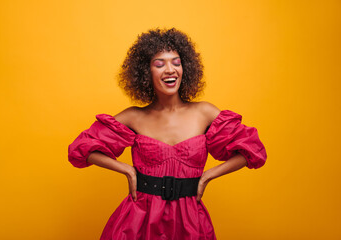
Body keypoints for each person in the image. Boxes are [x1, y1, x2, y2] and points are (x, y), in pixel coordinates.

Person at [68, 28, 267, 240]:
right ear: (146, 72)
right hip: (138, 222)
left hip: (189, 221)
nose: (170, 70)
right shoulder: (135, 117)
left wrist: (208, 176)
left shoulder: (204, 113)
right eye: (159, 64)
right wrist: (126, 170)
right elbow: (80, 149)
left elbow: (253, 150)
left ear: (186, 68)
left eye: (176, 62)